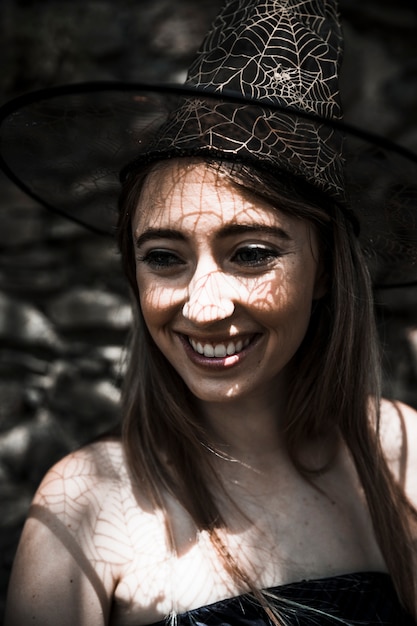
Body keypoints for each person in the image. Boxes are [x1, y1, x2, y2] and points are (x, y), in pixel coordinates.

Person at [2, 0, 417, 624]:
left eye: (250, 254)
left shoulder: (404, 454)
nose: (203, 305)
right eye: (164, 258)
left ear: (325, 268)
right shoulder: (87, 503)